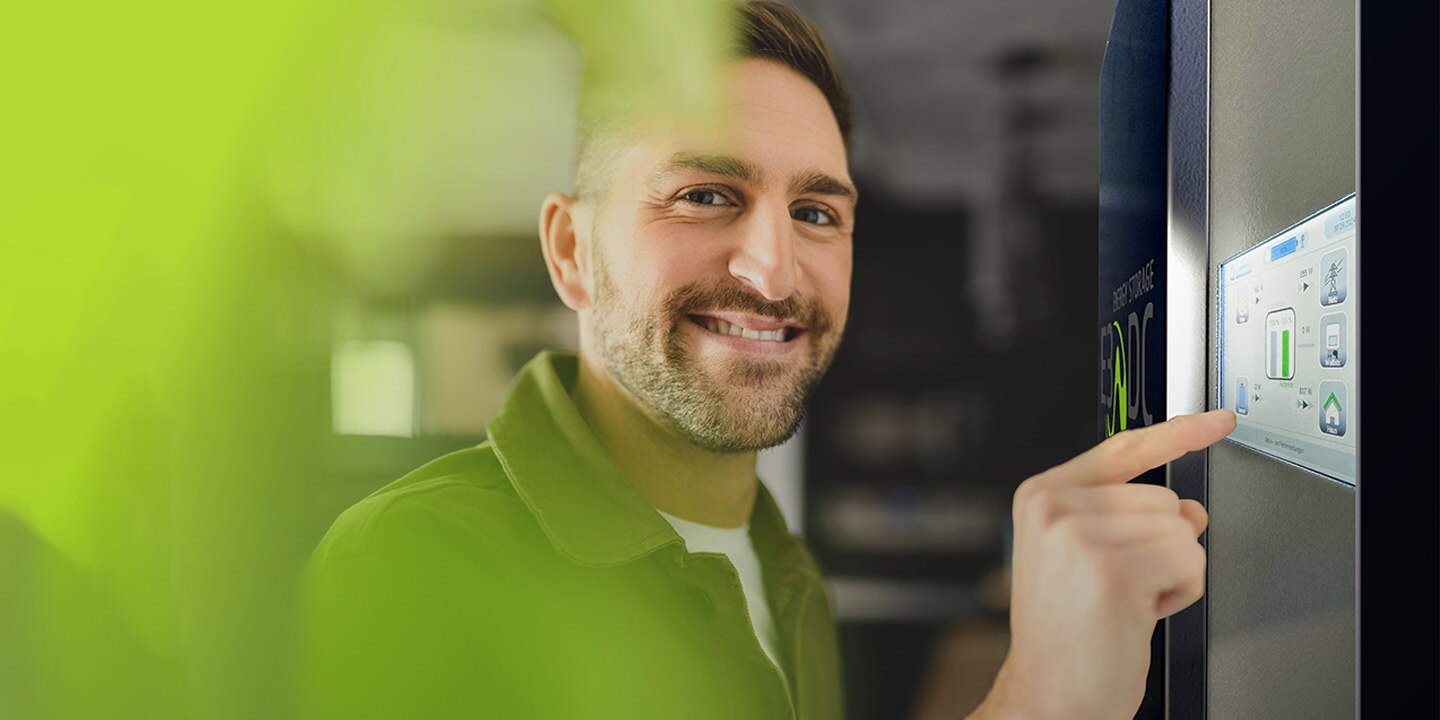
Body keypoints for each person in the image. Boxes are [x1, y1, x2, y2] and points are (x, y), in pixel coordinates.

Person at [301, 3, 1237, 718]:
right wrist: (1033, 701)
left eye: (818, 212)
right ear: (571, 251)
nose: (774, 267)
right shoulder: (419, 563)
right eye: (706, 194)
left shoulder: (779, 561)